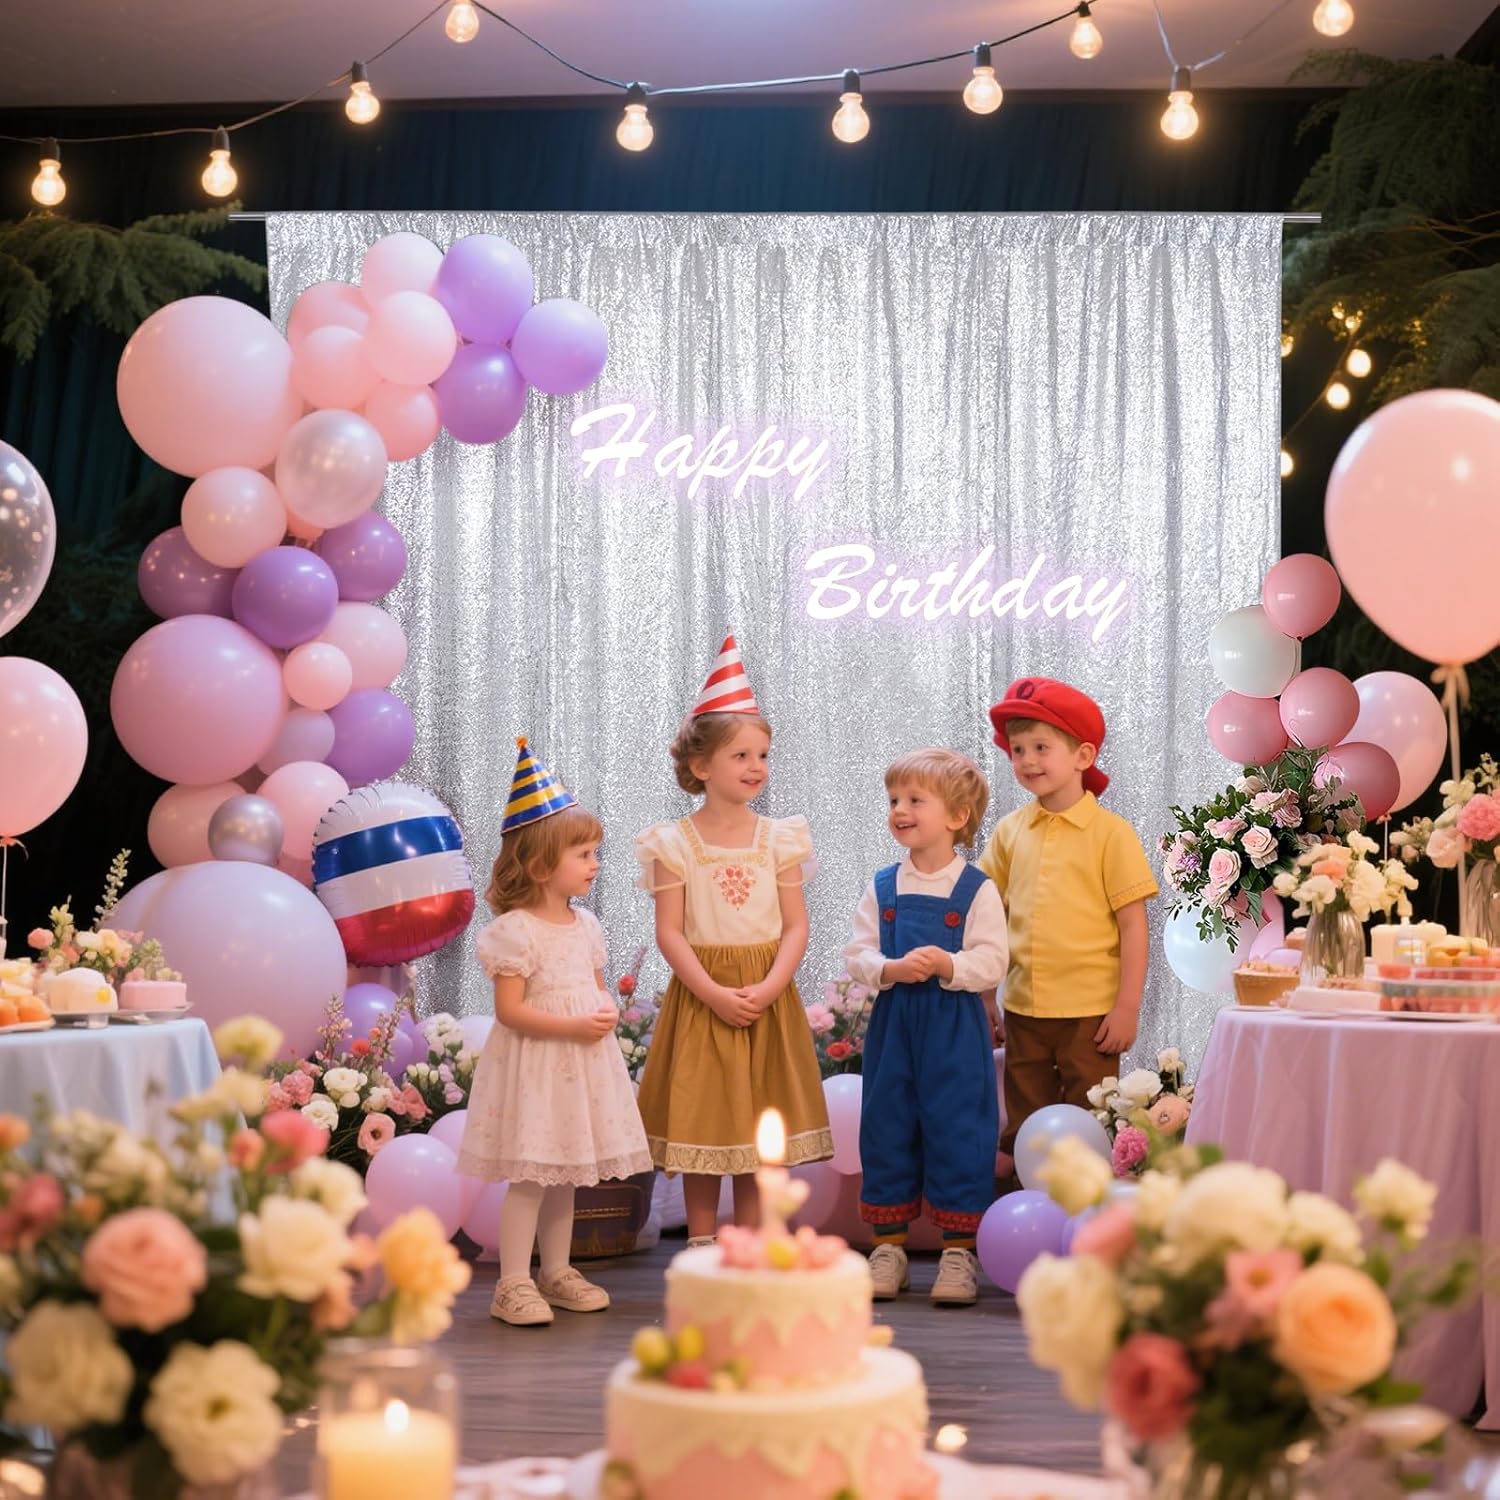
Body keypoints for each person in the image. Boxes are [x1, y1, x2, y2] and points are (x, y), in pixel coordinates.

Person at [635, 635, 832, 1245]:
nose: (756, 767)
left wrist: (769, 987)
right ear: (701, 767)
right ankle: (701, 1242)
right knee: (705, 1122)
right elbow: (670, 933)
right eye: (741, 755)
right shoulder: (673, 843)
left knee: (756, 1126)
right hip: (705, 999)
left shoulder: (780, 838)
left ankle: (750, 1240)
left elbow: (796, 925)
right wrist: (714, 994)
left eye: (762, 755)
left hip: (765, 996)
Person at [458, 737, 651, 1327]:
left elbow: (594, 986)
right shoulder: (515, 932)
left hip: (580, 1067)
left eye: (596, 853)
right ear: (542, 864)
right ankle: (512, 1281)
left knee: (568, 1172)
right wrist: (573, 1023)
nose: (595, 864)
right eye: (584, 854)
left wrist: (605, 1011)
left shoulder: (586, 924)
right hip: (538, 1069)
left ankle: (557, 1270)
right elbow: (511, 1012)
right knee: (532, 1175)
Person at [841, 748, 1009, 1306]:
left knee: (959, 1126)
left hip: (954, 1025)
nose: (900, 810)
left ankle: (958, 1253)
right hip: (896, 1024)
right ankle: (887, 1248)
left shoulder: (977, 889)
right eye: (894, 799)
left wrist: (948, 965)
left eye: (915, 800)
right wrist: (888, 969)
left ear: (957, 817)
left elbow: (994, 960)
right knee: (886, 1123)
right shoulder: (884, 886)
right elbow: (858, 952)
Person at [980, 678, 1158, 1166]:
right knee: (1024, 1119)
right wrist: (986, 995)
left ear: (1083, 755)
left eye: (1041, 747)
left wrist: (1126, 1007)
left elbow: (1133, 926)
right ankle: (1023, 1199)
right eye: (1018, 749)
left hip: (1091, 1013)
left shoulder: (1111, 834)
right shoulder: (1010, 831)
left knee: (1091, 1116)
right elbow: (989, 918)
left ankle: (1088, 1201)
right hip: (1023, 1006)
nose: (1027, 760)